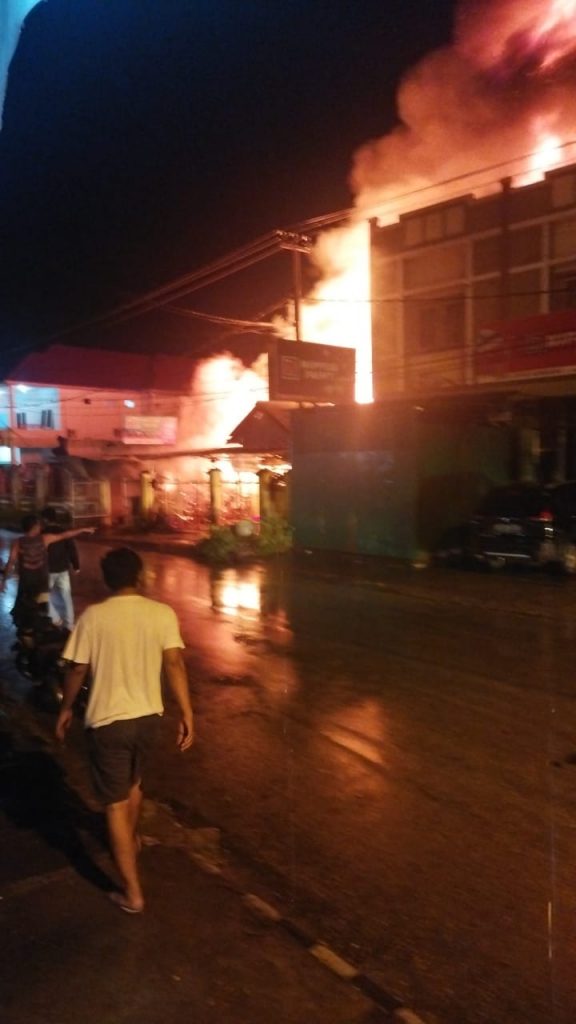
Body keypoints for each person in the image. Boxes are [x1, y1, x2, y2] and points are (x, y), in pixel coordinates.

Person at [55, 546, 194, 915]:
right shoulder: (161, 613)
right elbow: (175, 664)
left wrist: (66, 708)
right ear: (138, 576)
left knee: (114, 806)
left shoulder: (93, 618)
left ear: (107, 579)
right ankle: (130, 842)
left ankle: (132, 894)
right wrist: (187, 712)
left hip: (109, 723)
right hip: (149, 719)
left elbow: (78, 670)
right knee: (133, 786)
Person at [0, 513, 95, 625]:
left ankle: (35, 632)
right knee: (42, 611)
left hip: (26, 586)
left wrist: (4, 580)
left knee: (25, 613)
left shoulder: (17, 543)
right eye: (39, 525)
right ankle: (53, 627)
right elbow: (65, 535)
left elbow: (10, 563)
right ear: (34, 527)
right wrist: (82, 529)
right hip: (41, 584)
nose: (40, 527)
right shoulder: (44, 539)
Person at [41, 506, 80, 631]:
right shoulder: (63, 532)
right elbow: (72, 549)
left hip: (48, 570)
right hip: (63, 569)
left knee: (43, 597)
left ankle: (56, 619)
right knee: (66, 597)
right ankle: (69, 625)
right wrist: (76, 565)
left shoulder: (42, 534)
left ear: (45, 519)